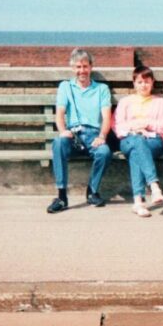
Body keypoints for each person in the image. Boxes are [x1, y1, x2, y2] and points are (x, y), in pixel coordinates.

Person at [46, 48, 112, 213]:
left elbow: (106, 118)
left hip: (93, 135)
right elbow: (60, 113)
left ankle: (92, 191)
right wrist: (62, 131)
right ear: (73, 68)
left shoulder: (102, 89)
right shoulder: (65, 87)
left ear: (91, 67)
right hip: (73, 134)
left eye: (84, 66)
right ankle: (61, 197)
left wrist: (102, 136)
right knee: (58, 143)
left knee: (104, 152)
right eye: (78, 67)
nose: (81, 70)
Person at [114, 66, 163, 217]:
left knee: (136, 153)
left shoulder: (161, 102)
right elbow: (118, 126)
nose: (143, 85)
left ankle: (138, 201)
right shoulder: (125, 102)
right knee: (137, 141)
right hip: (128, 139)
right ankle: (154, 185)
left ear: (152, 82)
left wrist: (148, 125)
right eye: (139, 82)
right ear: (134, 83)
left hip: (153, 141)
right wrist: (133, 128)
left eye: (146, 81)